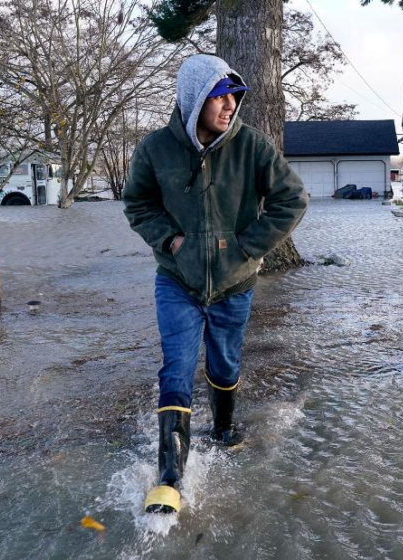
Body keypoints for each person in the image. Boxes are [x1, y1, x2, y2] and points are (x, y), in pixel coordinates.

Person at [123, 54, 308, 515]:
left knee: (224, 366)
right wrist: (170, 240)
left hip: (235, 283)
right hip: (176, 280)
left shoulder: (253, 147)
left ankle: (224, 431)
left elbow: (292, 199)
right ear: (193, 99)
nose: (230, 105)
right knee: (177, 366)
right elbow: (138, 204)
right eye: (219, 96)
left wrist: (248, 245)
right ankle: (169, 477)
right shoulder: (155, 150)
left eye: (234, 96)